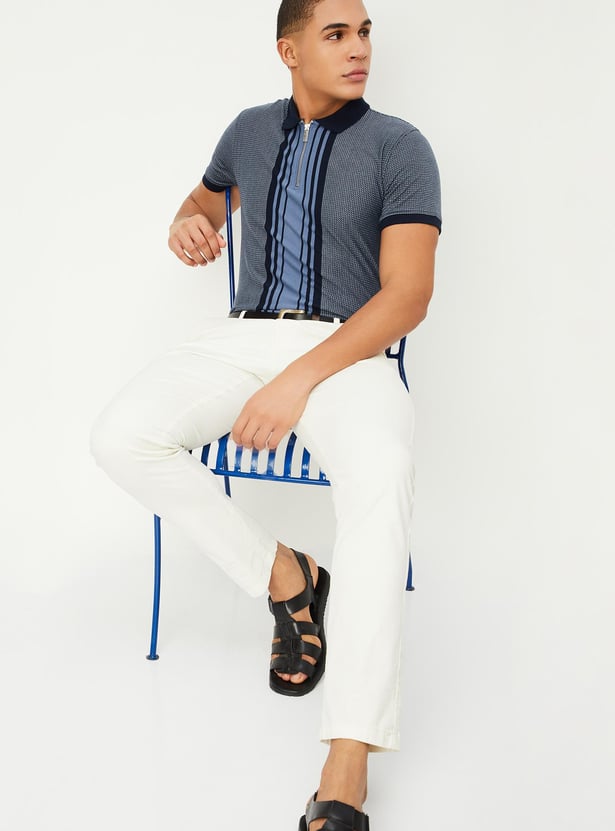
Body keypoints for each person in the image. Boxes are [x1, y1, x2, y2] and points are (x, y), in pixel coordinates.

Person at [91, 0, 441, 828]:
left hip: (346, 347)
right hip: (240, 337)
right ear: (289, 50)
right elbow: (204, 201)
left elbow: (406, 297)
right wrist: (189, 223)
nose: (358, 49)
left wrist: (297, 382)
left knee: (383, 472)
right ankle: (287, 577)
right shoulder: (248, 129)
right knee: (120, 437)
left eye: (364, 33)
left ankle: (348, 755)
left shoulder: (399, 145)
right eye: (336, 34)